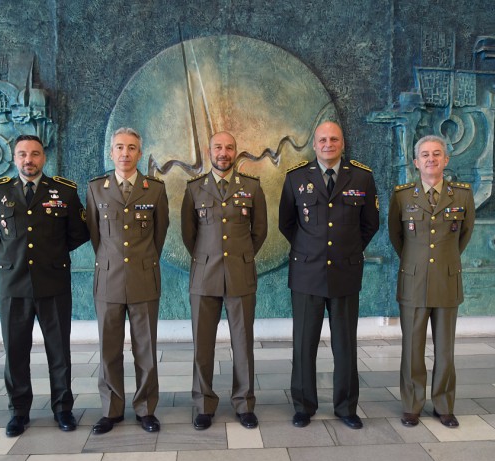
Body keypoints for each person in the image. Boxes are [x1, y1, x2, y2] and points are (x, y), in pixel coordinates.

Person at [0, 134, 89, 437]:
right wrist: (10, 256)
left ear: (43, 158)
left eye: (35, 154)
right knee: (15, 352)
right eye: (23, 154)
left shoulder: (64, 191)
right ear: (14, 158)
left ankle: (63, 409)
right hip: (14, 286)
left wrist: (53, 254)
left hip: (53, 283)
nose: (29, 160)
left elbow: (79, 233)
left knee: (59, 352)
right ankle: (18, 412)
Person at [278, 121, 380, 429]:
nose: (328, 144)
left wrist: (347, 250)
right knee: (304, 344)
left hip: (345, 272)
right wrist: (311, 249)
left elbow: (370, 223)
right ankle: (303, 406)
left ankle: (346, 407)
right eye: (322, 139)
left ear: (342, 143)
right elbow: (287, 223)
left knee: (345, 345)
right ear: (314, 144)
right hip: (307, 273)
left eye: (334, 139)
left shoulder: (361, 176)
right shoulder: (296, 177)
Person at [180, 131, 268, 430]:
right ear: (209, 151)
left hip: (239, 275)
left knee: (243, 344)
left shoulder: (252, 188)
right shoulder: (194, 189)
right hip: (204, 277)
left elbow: (259, 232)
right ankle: (203, 405)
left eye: (229, 148)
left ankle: (244, 404)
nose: (223, 152)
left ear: (235, 152)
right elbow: (189, 235)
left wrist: (239, 258)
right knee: (202, 345)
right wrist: (208, 257)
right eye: (218, 147)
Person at [387, 135, 475, 428]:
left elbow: (464, 236)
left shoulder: (462, 195)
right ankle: (412, 405)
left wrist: (443, 261)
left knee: (445, 349)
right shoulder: (402, 196)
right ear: (416, 162)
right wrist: (417, 261)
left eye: (437, 154)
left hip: (447, 281)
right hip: (413, 281)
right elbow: (397, 237)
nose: (431, 159)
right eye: (425, 155)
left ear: (446, 160)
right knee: (412, 348)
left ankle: (444, 405)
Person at [86, 128, 169, 434]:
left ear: (139, 153)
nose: (125, 153)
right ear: (111, 153)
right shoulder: (96, 189)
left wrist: (141, 261)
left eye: (131, 148)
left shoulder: (154, 189)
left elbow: (159, 234)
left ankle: (146, 409)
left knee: (145, 349)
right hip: (108, 279)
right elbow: (95, 235)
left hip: (143, 277)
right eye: (119, 147)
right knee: (109, 349)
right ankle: (111, 410)